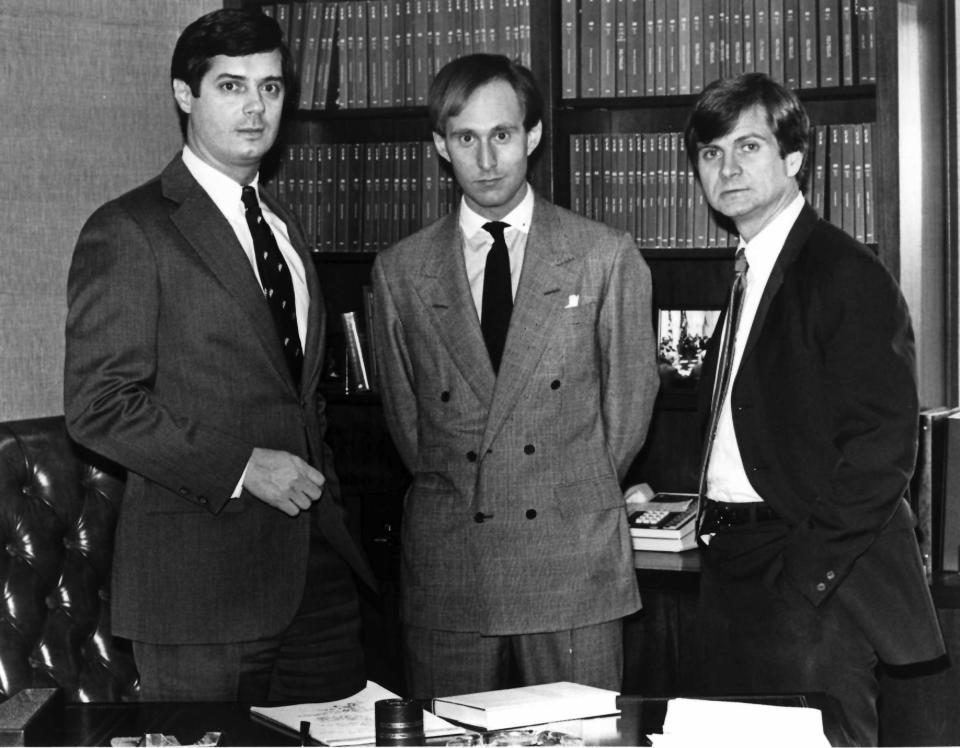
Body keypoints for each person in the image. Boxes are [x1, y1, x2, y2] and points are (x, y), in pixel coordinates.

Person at [64, 8, 376, 702]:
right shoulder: (129, 230)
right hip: (198, 590)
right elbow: (97, 407)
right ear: (185, 96)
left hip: (316, 575)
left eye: (271, 87)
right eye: (232, 87)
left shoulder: (285, 224)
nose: (257, 108)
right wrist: (241, 467)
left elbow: (296, 395)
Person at [371, 53, 659, 700]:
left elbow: (628, 412)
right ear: (441, 148)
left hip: (571, 562)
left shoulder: (603, 256)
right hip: (453, 572)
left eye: (502, 134)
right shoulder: (400, 272)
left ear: (531, 136)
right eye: (466, 138)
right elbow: (409, 427)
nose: (487, 157)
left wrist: (561, 486)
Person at [685, 72, 945, 745]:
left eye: (748, 147)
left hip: (808, 584)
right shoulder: (747, 271)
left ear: (794, 160)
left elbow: (882, 451)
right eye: (711, 154)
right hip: (732, 574)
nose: (727, 167)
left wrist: (804, 579)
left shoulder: (843, 270)